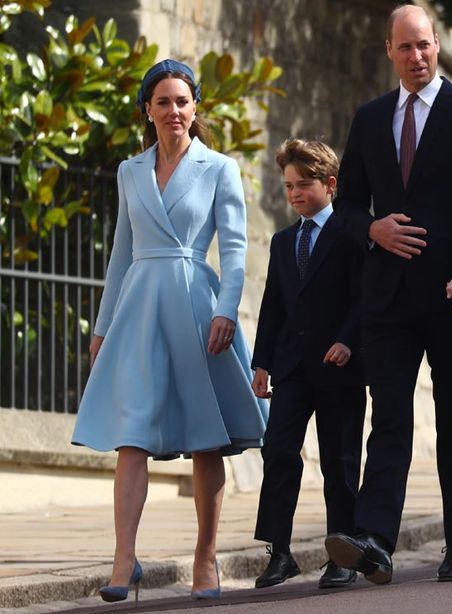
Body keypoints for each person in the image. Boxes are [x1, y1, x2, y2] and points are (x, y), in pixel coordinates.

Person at [323, 5, 452, 584]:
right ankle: (375, 537)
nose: (417, 56)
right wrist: (372, 229)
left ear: (436, 46)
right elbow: (348, 205)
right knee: (391, 420)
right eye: (405, 47)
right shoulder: (371, 118)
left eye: (425, 45)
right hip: (388, 298)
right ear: (390, 51)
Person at [71, 59, 268, 602]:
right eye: (163, 102)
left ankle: (206, 559)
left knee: (207, 438)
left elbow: (232, 249)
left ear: (195, 107)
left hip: (198, 308)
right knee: (130, 436)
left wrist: (228, 309)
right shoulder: (129, 171)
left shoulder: (219, 168)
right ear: (148, 110)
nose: (174, 111)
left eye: (182, 101)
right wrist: (103, 325)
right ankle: (123, 558)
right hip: (137, 310)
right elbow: (121, 254)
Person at [250, 139, 366, 590]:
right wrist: (261, 363)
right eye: (288, 186)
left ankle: (342, 554)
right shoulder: (283, 242)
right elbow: (273, 306)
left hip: (339, 367)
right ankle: (278, 552)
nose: (295, 193)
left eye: (304, 184)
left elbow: (364, 297)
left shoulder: (352, 234)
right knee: (278, 451)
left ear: (330, 185)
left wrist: (347, 341)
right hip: (293, 368)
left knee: (339, 462)